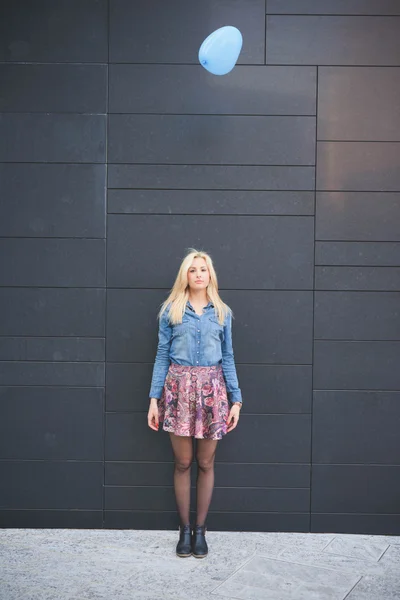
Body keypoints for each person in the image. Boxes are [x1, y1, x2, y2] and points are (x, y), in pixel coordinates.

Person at [147, 248, 243, 559]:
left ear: (210, 275)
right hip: (178, 391)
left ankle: (200, 531)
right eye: (193, 269)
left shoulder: (222, 312)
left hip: (213, 392)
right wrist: (154, 399)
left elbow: (227, 357)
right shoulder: (171, 311)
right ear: (185, 276)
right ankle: (184, 530)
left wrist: (236, 400)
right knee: (183, 463)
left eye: (203, 269)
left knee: (206, 463)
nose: (198, 274)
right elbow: (162, 355)